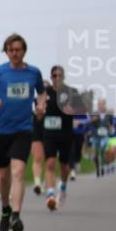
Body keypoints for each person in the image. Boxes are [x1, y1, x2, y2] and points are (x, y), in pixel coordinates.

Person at [0, 34, 46, 231]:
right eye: (11, 50)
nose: (15, 53)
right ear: (6, 51)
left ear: (24, 50)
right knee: (3, 175)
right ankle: (5, 210)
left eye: (18, 49)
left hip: (23, 130)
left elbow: (41, 93)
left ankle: (16, 215)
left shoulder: (34, 72)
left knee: (18, 172)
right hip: (1, 130)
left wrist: (41, 105)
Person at [40, 66, 76, 209]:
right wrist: (39, 111)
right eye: (54, 75)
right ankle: (50, 194)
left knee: (63, 166)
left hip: (65, 133)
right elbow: (39, 108)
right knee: (49, 163)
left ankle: (63, 187)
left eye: (59, 75)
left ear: (63, 77)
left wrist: (71, 109)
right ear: (51, 77)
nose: (57, 78)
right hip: (49, 133)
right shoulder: (45, 92)